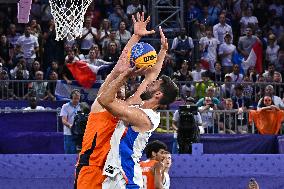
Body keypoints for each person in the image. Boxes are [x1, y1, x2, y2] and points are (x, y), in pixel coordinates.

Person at [75, 12, 167, 189]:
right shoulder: (101, 104)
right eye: (118, 86)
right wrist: (136, 36)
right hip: (91, 167)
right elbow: (119, 67)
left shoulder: (126, 108)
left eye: (123, 88)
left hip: (110, 172)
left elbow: (150, 78)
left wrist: (162, 51)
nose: (120, 88)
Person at [99, 43, 178, 188]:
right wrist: (163, 51)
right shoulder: (139, 106)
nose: (151, 82)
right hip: (115, 173)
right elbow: (151, 75)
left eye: (155, 83)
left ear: (158, 94)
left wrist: (124, 75)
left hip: (126, 177)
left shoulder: (144, 118)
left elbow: (103, 100)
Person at [60, 89, 81, 154]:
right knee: (69, 153)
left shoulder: (81, 106)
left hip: (79, 134)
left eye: (78, 99)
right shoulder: (65, 106)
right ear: (71, 98)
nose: (76, 100)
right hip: (69, 133)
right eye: (75, 99)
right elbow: (63, 120)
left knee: (78, 154)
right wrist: (70, 126)